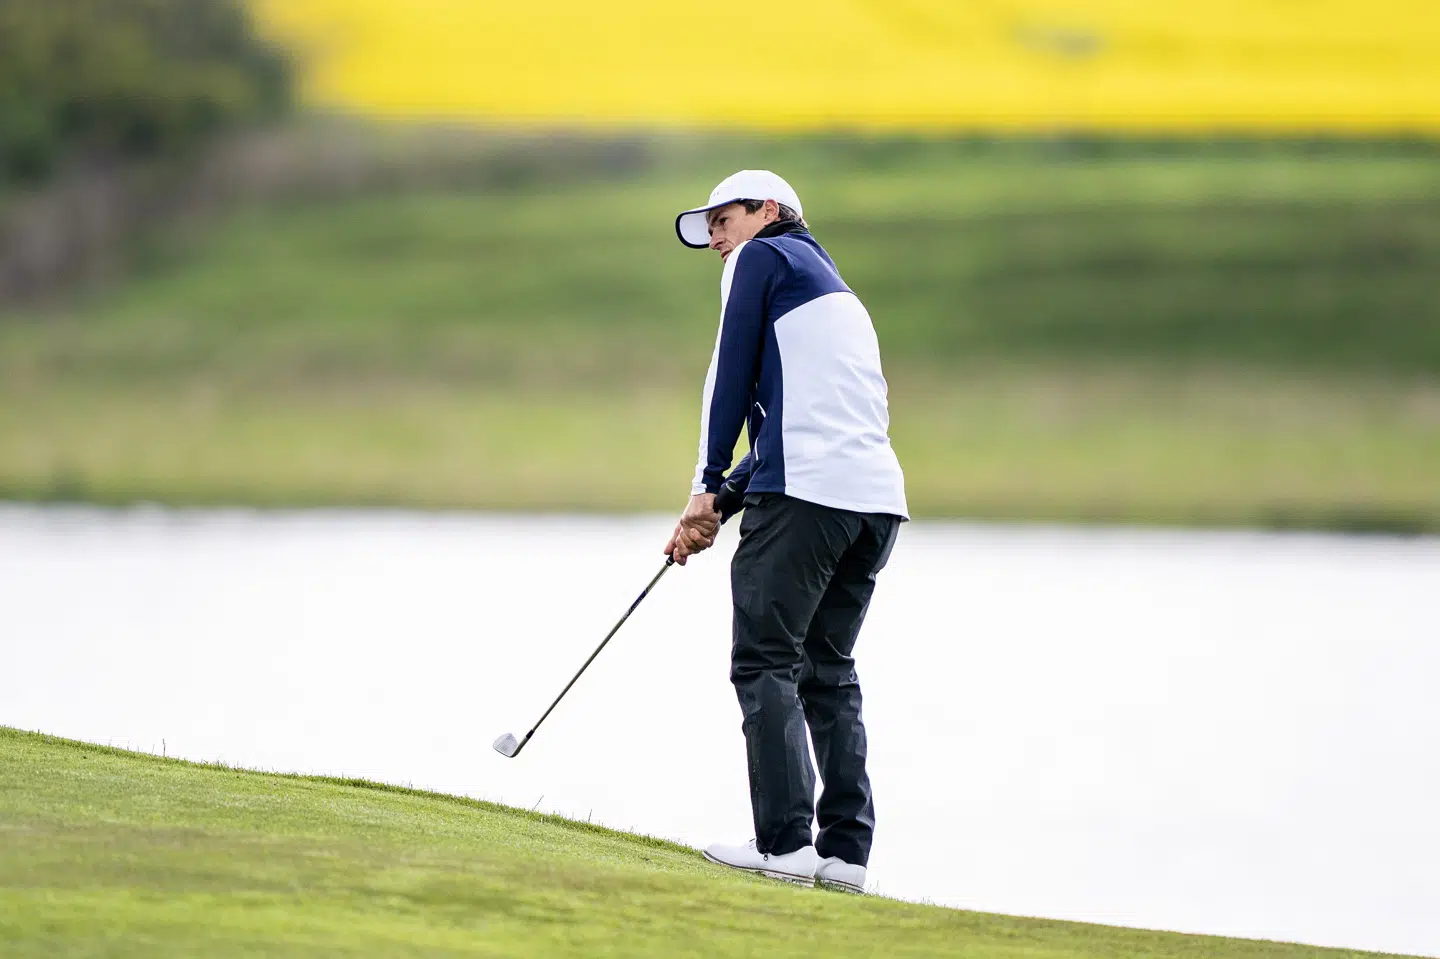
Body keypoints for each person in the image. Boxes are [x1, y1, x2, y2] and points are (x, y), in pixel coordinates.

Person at [664, 170, 908, 893]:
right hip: (872, 504)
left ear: (769, 211)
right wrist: (718, 507)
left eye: (723, 218)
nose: (715, 237)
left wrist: (706, 483)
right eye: (706, 227)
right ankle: (844, 855)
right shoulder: (829, 282)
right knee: (826, 670)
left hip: (806, 494)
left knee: (764, 660)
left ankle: (782, 845)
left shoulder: (761, 257)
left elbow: (728, 372)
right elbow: (792, 428)